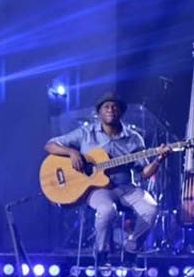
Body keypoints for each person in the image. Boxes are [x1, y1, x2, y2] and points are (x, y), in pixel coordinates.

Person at [44, 92, 170, 267]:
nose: (111, 110)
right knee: (107, 210)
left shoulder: (134, 138)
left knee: (151, 208)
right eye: (106, 107)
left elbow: (144, 173)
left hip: (126, 188)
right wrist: (72, 152)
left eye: (115, 107)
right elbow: (50, 145)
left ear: (121, 112)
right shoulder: (86, 133)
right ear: (100, 112)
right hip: (97, 190)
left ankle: (132, 248)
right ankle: (101, 252)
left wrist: (158, 160)